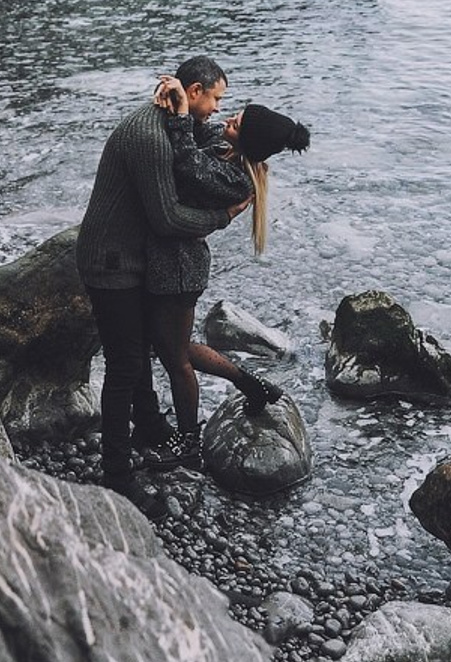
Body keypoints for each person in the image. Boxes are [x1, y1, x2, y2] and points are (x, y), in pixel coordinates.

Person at [75, 55, 250, 513]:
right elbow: (167, 217)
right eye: (215, 99)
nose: (216, 110)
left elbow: (210, 141)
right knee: (125, 365)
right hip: (111, 260)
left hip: (128, 257)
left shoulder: (173, 121)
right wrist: (223, 216)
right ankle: (116, 475)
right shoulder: (149, 137)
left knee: (137, 352)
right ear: (194, 92)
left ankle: (150, 427)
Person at [143, 75, 310, 471]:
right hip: (169, 260)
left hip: (180, 271)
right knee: (170, 347)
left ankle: (189, 441)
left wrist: (183, 114)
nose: (227, 118)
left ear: (246, 141)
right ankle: (251, 384)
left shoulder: (235, 180)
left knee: (176, 356)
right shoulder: (224, 143)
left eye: (237, 122)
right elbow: (200, 130)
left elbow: (187, 163)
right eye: (233, 114)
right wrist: (183, 98)